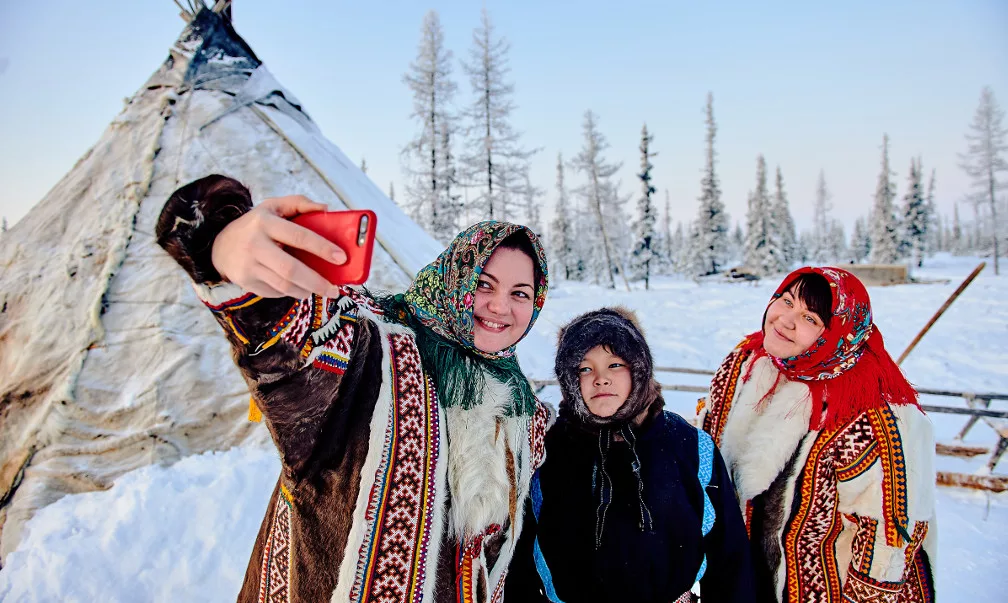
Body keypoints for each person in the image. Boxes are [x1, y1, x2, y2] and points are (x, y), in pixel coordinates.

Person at [155, 175, 552, 603]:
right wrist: (221, 242)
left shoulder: (522, 413)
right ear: (456, 276)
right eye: (484, 284)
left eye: (520, 293)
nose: (500, 306)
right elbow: (292, 342)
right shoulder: (375, 357)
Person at [697, 266, 937, 602]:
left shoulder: (868, 410)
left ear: (837, 331)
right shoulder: (745, 365)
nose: (785, 320)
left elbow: (888, 532)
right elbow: (703, 446)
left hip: (824, 590)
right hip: (735, 577)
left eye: (810, 318)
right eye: (785, 301)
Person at [505, 307, 755, 603]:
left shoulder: (688, 445)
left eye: (615, 364)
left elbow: (730, 558)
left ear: (639, 367)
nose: (600, 379)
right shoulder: (546, 450)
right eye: (584, 368)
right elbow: (517, 564)